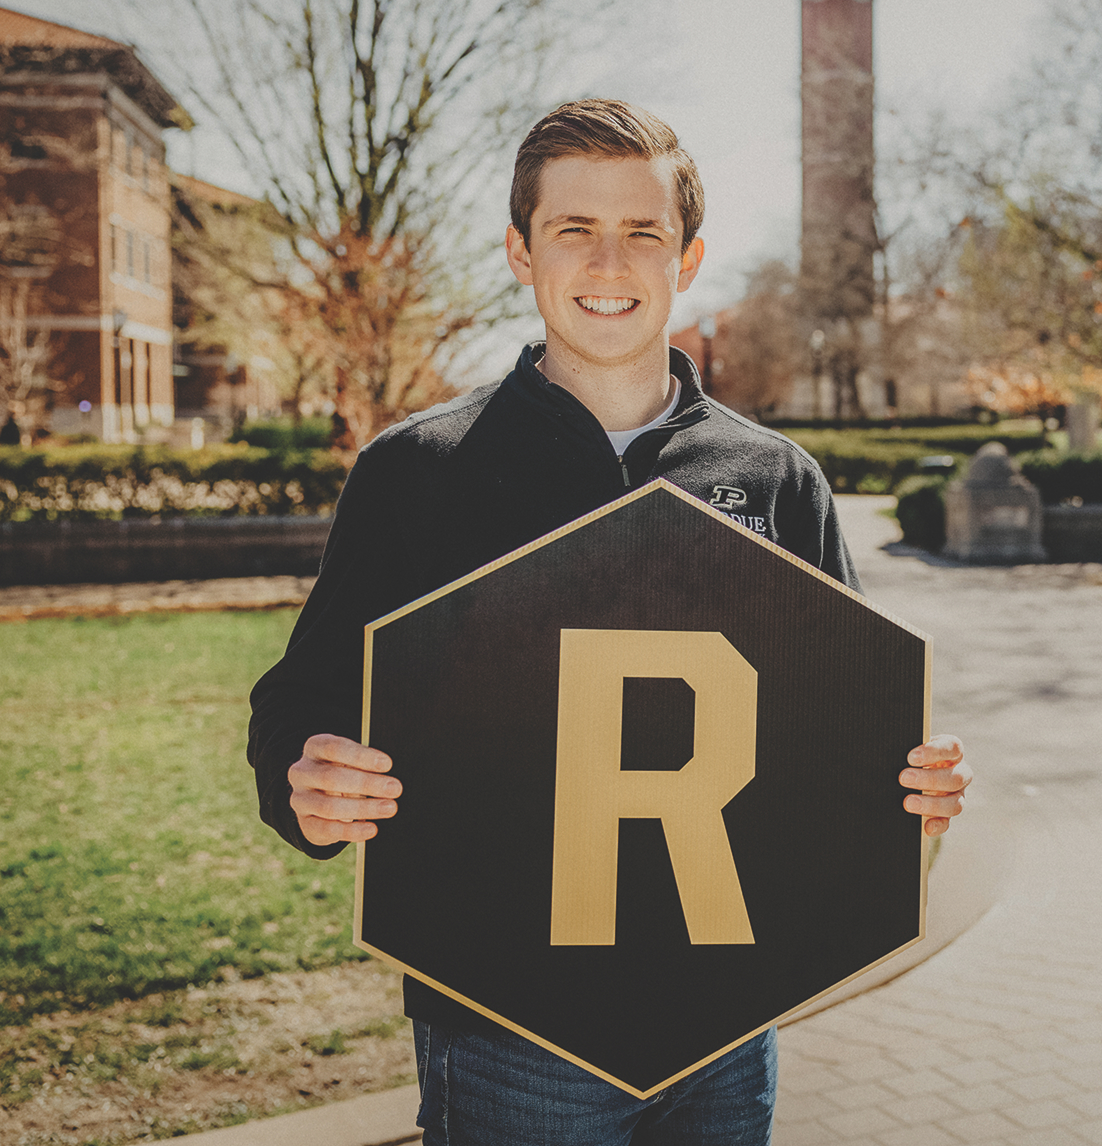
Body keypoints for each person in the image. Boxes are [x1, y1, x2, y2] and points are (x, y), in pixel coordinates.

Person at [248, 99, 972, 1145]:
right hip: (506, 1024)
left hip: (728, 1023)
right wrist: (302, 779)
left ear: (689, 256)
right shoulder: (416, 474)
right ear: (517, 250)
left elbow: (836, 726)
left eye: (643, 231)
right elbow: (301, 700)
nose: (609, 260)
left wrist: (906, 787)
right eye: (572, 229)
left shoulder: (773, 478)